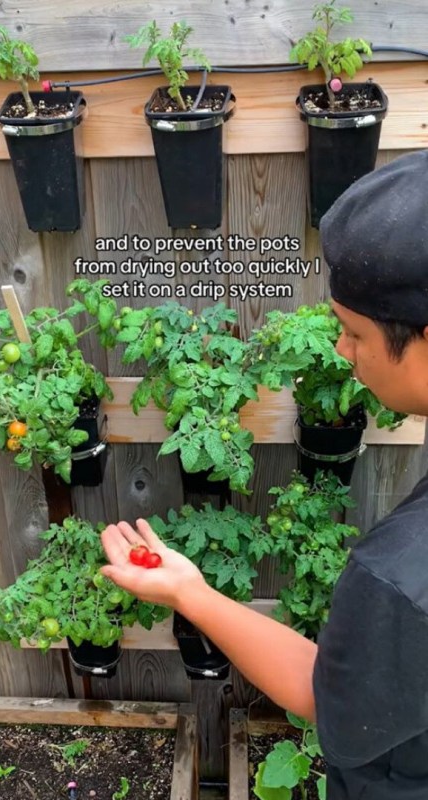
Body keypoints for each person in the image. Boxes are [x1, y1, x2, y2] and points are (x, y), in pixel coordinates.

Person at [98, 151, 428, 798]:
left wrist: (189, 593)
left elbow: (322, 692)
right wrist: (190, 589)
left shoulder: (402, 579)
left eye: (353, 333)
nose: (340, 350)